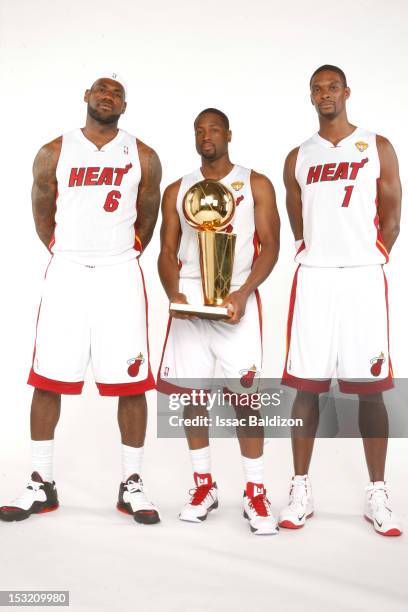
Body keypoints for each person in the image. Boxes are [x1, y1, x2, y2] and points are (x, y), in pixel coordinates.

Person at [0, 72, 162, 525]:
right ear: (86, 97)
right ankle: (40, 482)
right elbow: (41, 207)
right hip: (67, 270)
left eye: (118, 94)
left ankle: (132, 484)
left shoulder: (143, 155)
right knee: (48, 377)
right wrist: (63, 248)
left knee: (131, 382)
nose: (108, 97)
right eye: (102, 90)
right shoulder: (54, 150)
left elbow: (148, 214)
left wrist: (122, 253)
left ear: (124, 107)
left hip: (119, 274)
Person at [279, 65, 402, 536]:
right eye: (317, 88)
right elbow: (298, 219)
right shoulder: (298, 156)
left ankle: (377, 492)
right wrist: (320, 251)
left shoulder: (377, 145)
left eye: (332, 87)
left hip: (363, 278)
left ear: (346, 92)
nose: (324, 94)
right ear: (309, 96)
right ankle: (300, 488)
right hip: (315, 278)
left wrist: (375, 252)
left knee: (371, 388)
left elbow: (392, 213)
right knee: (306, 386)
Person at [157, 108, 280, 535]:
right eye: (199, 130)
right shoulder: (178, 188)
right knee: (193, 398)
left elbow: (271, 248)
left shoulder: (256, 183)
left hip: (235, 299)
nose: (206, 136)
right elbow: (166, 251)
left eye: (213, 129)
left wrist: (244, 293)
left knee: (246, 399)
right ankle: (203, 485)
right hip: (191, 299)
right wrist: (175, 295)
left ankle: (256, 490)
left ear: (229, 134)